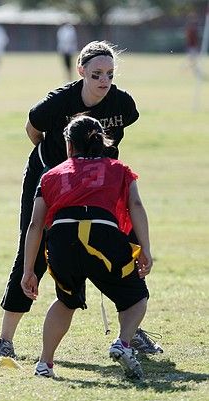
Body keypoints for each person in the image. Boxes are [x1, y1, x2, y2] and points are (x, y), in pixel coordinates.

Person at [0, 40, 163, 359]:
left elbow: (123, 130)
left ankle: (131, 333)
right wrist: (56, 165)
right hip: (54, 176)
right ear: (81, 71)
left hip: (100, 182)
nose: (103, 81)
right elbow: (33, 128)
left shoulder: (122, 103)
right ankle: (5, 340)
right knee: (35, 247)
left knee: (127, 243)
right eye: (96, 74)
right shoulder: (59, 102)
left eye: (109, 74)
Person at [22, 115, 152, 379]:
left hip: (62, 238)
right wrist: (146, 249)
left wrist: (28, 271)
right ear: (102, 141)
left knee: (65, 300)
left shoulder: (51, 175)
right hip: (103, 236)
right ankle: (123, 343)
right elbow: (136, 206)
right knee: (136, 298)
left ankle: (45, 363)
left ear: (69, 146)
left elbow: (35, 225)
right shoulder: (120, 169)